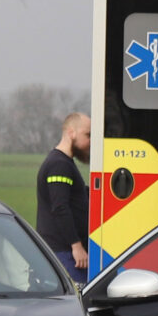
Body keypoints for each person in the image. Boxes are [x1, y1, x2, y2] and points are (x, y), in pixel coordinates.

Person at [36, 113, 92, 281]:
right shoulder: (59, 165)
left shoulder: (65, 163)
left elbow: (76, 197)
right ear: (71, 132)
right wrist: (76, 246)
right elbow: (60, 207)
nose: (91, 141)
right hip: (65, 254)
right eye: (87, 135)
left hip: (67, 252)